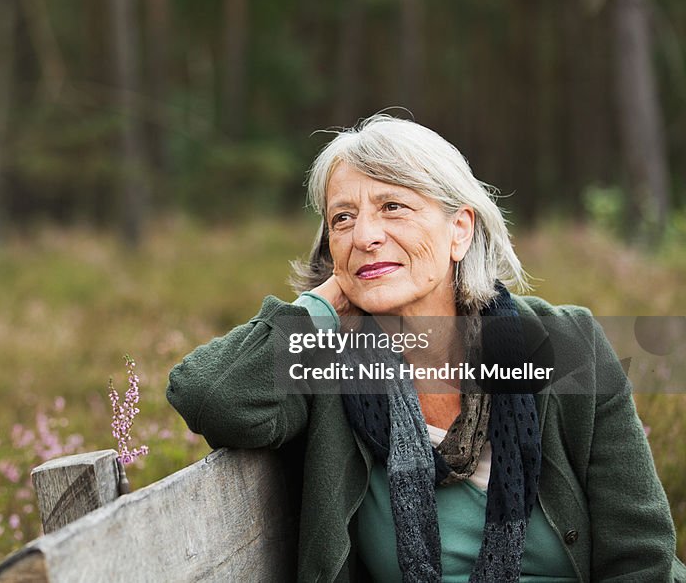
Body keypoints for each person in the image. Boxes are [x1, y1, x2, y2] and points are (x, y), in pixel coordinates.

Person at [166, 115, 685, 582]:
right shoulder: (327, 361)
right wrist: (319, 307)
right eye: (342, 218)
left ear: (460, 230)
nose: (365, 235)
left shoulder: (568, 346)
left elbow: (641, 558)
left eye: (393, 207)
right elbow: (212, 396)